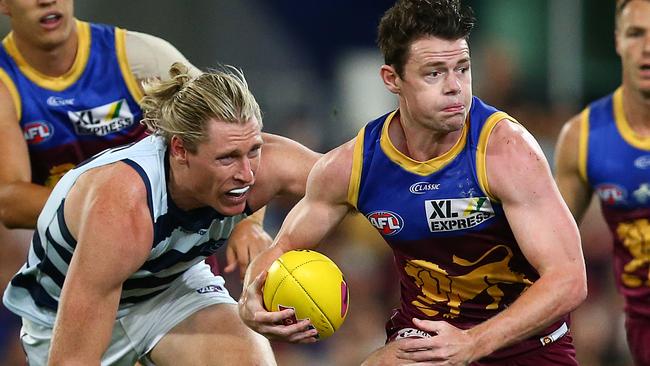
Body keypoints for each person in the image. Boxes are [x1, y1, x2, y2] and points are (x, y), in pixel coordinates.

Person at [239, 0, 587, 364]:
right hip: (424, 340)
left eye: (463, 69)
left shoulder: (507, 151)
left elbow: (569, 278)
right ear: (392, 79)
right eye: (434, 73)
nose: (455, 88)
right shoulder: (354, 166)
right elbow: (282, 248)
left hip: (525, 346)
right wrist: (249, 299)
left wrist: (473, 343)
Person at [2, 62, 320, 365]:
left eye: (253, 149)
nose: (247, 174)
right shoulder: (124, 208)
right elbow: (72, 359)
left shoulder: (269, 168)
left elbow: (357, 179)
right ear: (180, 150)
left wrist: (270, 243)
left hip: (168, 286)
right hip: (63, 313)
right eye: (228, 158)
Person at [0, 0, 270, 278]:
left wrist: (248, 223)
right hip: (78, 269)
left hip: (175, 268)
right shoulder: (4, 83)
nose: (48, 0)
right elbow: (9, 201)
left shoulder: (138, 57)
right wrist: (115, 211)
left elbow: (241, 137)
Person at [554, 1, 650, 364]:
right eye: (636, 33)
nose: (648, 48)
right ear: (617, 41)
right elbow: (550, 254)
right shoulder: (583, 137)